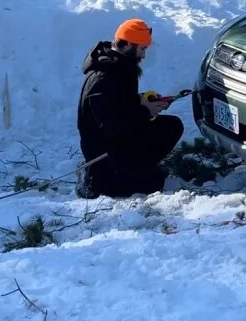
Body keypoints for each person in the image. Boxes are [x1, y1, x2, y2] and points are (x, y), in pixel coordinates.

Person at [76, 18, 184, 199]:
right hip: (105, 152)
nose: (143, 56)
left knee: (172, 126)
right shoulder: (104, 77)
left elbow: (119, 104)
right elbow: (111, 128)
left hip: (121, 139)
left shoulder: (119, 67)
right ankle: (93, 178)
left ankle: (138, 166)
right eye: (141, 49)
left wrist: (142, 101)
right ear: (126, 44)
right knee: (154, 182)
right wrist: (145, 111)